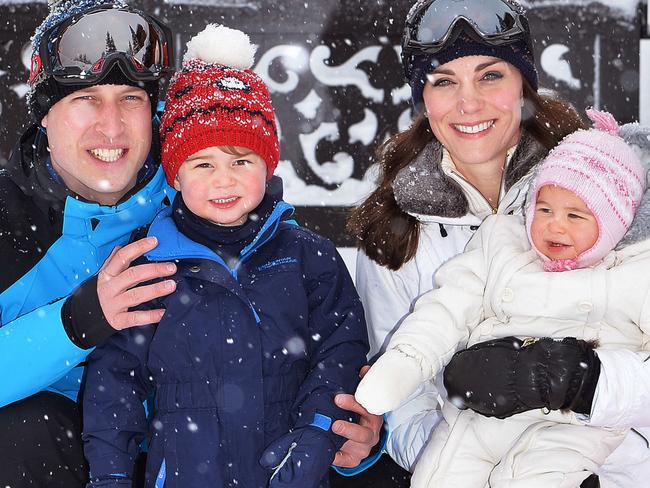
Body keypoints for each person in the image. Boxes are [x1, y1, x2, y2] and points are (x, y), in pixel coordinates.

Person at [0, 1, 379, 486]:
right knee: (24, 431)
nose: (111, 126)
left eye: (130, 99)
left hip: (209, 451)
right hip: (79, 460)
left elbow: (311, 340)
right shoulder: (9, 224)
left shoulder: (210, 192)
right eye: (86, 99)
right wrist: (74, 325)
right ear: (44, 115)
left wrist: (353, 436)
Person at [347, 1, 650, 487]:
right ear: (422, 97)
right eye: (444, 81)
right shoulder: (395, 231)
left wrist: (582, 384)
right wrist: (467, 446)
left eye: (490, 76)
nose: (469, 103)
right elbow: (406, 402)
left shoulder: (609, 189)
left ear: (523, 83)